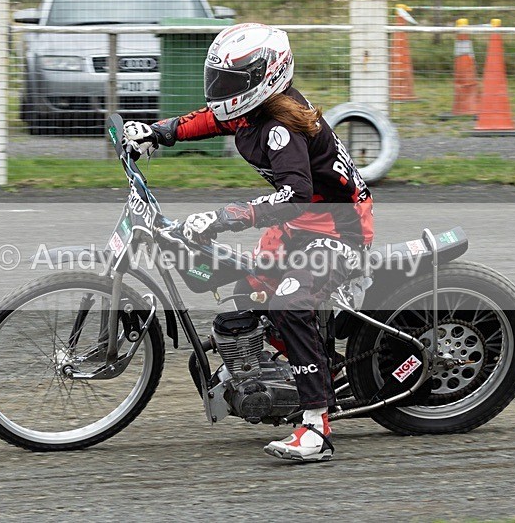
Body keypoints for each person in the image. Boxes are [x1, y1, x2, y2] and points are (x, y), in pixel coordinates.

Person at [122, 23, 373, 462]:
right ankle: (315, 367)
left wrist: (225, 217)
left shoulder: (281, 127)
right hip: (304, 222)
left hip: (337, 228)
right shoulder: (254, 108)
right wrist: (158, 132)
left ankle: (316, 428)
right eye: (218, 78)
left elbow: (294, 196)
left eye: (231, 81)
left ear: (266, 77)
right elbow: (212, 118)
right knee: (249, 289)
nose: (221, 90)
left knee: (289, 302)